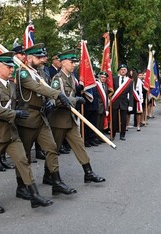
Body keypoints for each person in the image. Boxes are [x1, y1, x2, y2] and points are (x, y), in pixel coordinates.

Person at [0, 52, 53, 214]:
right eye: (8, 67)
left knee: (23, 161)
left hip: (12, 133)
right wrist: (15, 114)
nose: (12, 69)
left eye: (12, 66)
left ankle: (34, 195)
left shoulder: (12, 85)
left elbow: (23, 101)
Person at [15, 43, 77, 196]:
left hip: (42, 118)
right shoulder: (22, 73)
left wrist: (49, 101)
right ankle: (21, 186)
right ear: (29, 58)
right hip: (27, 118)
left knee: (51, 148)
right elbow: (38, 88)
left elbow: (43, 89)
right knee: (25, 155)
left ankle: (56, 182)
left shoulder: (38, 73)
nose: (43, 60)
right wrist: (57, 94)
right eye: (39, 57)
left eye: (42, 57)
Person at [48, 49, 106, 184]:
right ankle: (48, 174)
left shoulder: (71, 78)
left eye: (75, 62)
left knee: (79, 145)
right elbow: (56, 99)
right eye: (71, 62)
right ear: (63, 63)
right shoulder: (58, 79)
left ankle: (88, 172)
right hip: (59, 120)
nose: (74, 65)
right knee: (53, 150)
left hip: (70, 119)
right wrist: (76, 100)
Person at [111, 64, 133, 141]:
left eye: (125, 69)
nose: (123, 71)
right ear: (119, 71)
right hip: (115, 101)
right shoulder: (114, 79)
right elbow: (111, 91)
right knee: (114, 119)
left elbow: (131, 93)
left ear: (126, 71)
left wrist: (130, 104)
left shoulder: (129, 81)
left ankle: (122, 135)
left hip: (124, 102)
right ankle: (113, 134)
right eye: (122, 69)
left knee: (124, 119)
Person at [96, 71, 109, 137]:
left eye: (105, 77)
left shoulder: (106, 86)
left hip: (103, 107)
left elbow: (106, 98)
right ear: (99, 77)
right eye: (102, 77)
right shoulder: (96, 85)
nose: (103, 78)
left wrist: (106, 109)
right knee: (97, 124)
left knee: (101, 124)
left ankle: (101, 137)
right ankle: (96, 137)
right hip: (98, 107)